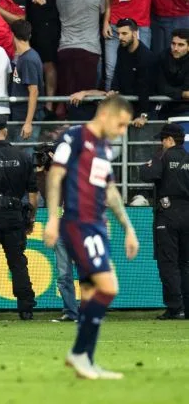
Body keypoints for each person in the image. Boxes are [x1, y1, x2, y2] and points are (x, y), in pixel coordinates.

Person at [44, 95, 140, 380]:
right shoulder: (75, 137)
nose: (123, 131)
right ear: (106, 115)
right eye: (121, 125)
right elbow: (55, 176)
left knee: (89, 294)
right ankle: (79, 354)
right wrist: (51, 218)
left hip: (97, 225)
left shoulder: (103, 148)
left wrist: (128, 227)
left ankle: (86, 359)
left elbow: (110, 191)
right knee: (107, 287)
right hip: (78, 224)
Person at [0, 114, 37, 321]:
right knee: (18, 262)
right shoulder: (22, 156)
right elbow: (33, 193)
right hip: (14, 215)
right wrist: (30, 217)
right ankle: (26, 308)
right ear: (6, 130)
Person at [139, 123, 189, 320]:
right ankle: (187, 307)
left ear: (169, 140)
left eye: (163, 140)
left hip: (167, 214)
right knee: (186, 263)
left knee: (168, 263)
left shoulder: (162, 155)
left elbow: (148, 175)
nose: (161, 143)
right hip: (188, 212)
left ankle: (175, 307)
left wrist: (145, 166)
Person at [57, 0, 104, 101]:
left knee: (66, 99)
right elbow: (105, 13)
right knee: (86, 100)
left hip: (65, 50)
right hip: (89, 51)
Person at [10, 20, 44, 141]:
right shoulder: (23, 56)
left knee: (25, 156)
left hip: (26, 118)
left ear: (12, 35)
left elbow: (34, 91)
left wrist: (28, 123)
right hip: (20, 116)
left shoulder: (28, 59)